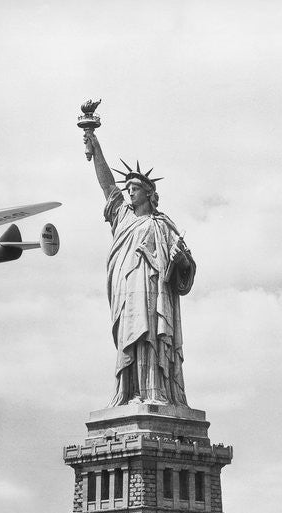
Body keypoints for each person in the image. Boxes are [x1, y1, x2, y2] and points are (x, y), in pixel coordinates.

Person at [83, 130, 196, 407]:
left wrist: (181, 260)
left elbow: (187, 267)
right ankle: (131, 392)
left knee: (153, 338)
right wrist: (94, 143)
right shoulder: (122, 217)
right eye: (128, 188)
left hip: (156, 293)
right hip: (129, 293)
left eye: (134, 188)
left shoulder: (163, 224)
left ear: (149, 193)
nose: (129, 192)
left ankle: (156, 392)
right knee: (132, 340)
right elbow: (107, 186)